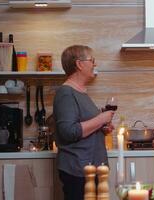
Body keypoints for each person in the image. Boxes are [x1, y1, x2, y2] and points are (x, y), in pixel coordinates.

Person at [53, 45, 114, 200]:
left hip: (91, 168)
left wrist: (102, 127)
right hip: (78, 171)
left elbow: (85, 127)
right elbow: (68, 132)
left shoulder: (81, 92)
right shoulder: (66, 93)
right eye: (92, 60)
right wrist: (101, 119)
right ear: (79, 64)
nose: (95, 64)